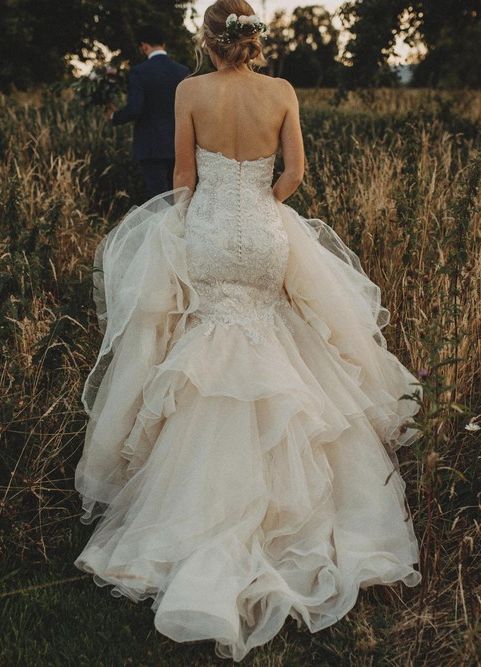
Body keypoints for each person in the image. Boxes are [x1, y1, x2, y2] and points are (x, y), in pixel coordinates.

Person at [73, 0, 423, 662]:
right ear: (253, 41)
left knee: (206, 339)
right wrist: (262, 209)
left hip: (208, 230)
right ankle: (294, 506)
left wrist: (190, 223)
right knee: (276, 334)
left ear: (206, 42)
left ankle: (193, 504)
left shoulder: (190, 91)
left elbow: (182, 175)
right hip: (264, 231)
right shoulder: (282, 91)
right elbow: (293, 174)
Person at [108, 26, 190, 199]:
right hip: (179, 144)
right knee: (179, 198)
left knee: (158, 201)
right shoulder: (182, 71)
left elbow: (135, 109)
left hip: (151, 147)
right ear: (163, 44)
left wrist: (114, 116)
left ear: (144, 46)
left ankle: (163, 228)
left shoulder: (140, 72)